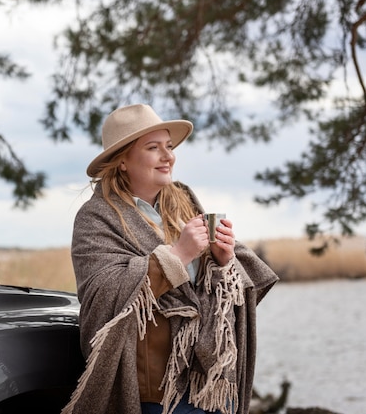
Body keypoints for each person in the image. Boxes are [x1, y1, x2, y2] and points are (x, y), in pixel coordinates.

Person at [61, 104, 279, 414]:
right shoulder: (96, 218)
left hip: (211, 382)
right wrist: (178, 256)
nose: (168, 156)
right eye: (153, 148)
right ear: (122, 161)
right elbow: (103, 297)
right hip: (158, 394)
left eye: (169, 146)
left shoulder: (183, 201)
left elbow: (220, 283)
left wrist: (222, 260)